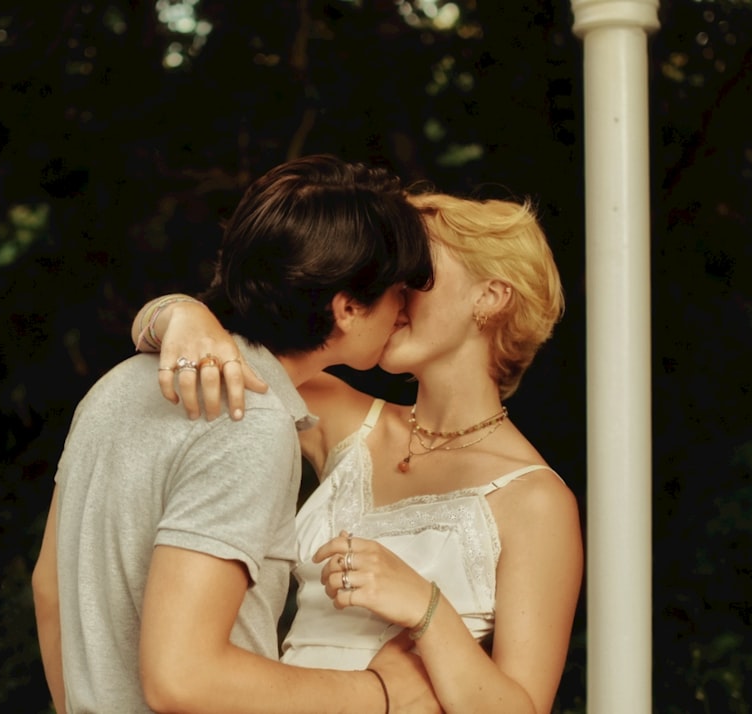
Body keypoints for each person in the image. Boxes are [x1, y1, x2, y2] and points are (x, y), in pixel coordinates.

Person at [135, 190, 584, 713]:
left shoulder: (536, 499)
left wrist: (427, 608)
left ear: (489, 297)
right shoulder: (344, 417)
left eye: (418, 275)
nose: (393, 291)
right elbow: (201, 348)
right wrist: (179, 315)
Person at [31, 154, 445, 714]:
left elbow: (50, 591)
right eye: (399, 292)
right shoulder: (247, 421)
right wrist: (378, 694)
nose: (404, 311)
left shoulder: (119, 385)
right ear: (347, 307)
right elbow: (183, 678)